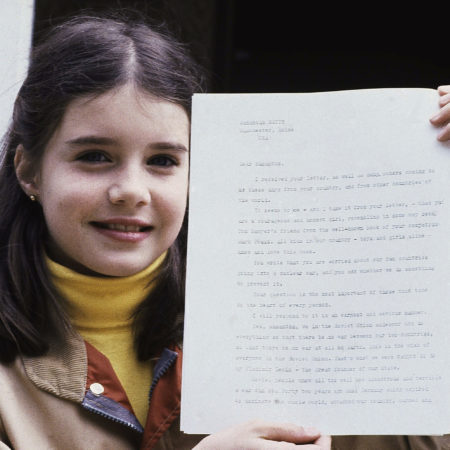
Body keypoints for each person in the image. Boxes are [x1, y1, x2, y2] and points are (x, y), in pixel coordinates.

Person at [0, 10, 447, 450]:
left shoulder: (291, 328)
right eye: (95, 155)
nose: (132, 191)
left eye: (163, 161)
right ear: (29, 170)